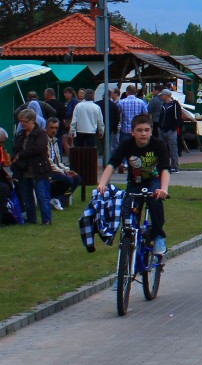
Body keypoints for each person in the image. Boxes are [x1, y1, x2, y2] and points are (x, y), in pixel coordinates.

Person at [98, 113, 171, 253]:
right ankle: (131, 239)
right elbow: (112, 164)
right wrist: (102, 183)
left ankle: (158, 236)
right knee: (128, 212)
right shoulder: (126, 145)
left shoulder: (158, 144)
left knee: (155, 202)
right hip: (135, 182)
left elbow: (165, 169)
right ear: (132, 132)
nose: (143, 134)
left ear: (151, 131)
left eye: (146, 130)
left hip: (154, 181)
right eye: (139, 130)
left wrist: (163, 189)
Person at [11, 109, 53, 225]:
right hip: (24, 171)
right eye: (20, 122)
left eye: (24, 121)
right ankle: (31, 219)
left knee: (42, 196)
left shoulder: (41, 133)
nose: (22, 124)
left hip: (39, 170)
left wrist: (20, 155)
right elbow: (15, 149)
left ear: (32, 120)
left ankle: (46, 220)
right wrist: (15, 157)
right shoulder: (20, 134)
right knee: (27, 198)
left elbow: (38, 149)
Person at [45, 117, 81, 210]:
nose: (54, 130)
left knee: (77, 178)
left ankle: (60, 200)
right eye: (51, 128)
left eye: (56, 128)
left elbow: (58, 161)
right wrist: (63, 172)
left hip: (56, 169)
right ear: (46, 128)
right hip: (47, 170)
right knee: (68, 180)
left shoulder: (55, 141)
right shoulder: (44, 141)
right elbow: (48, 161)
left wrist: (67, 170)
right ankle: (54, 198)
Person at [156, 88, 184, 173]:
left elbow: (178, 118)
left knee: (173, 149)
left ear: (166, 95)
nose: (161, 96)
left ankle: (174, 167)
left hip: (171, 131)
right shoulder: (163, 105)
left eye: (162, 95)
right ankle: (163, 166)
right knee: (162, 149)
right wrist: (160, 127)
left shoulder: (175, 105)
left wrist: (173, 129)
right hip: (162, 130)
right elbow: (161, 117)